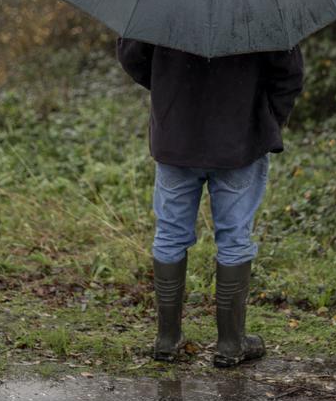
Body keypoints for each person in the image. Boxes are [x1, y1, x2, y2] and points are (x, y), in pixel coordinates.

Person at [116, 40, 303, 368]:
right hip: (240, 138)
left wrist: (170, 91)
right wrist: (268, 116)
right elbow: (288, 72)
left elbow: (131, 54)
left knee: (170, 234)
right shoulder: (259, 13)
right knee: (234, 238)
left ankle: (167, 340)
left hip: (176, 135)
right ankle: (231, 344)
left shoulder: (163, 7)